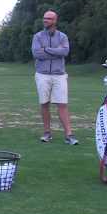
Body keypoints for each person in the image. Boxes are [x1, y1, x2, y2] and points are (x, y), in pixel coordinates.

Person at [31, 10, 78, 145]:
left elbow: (65, 51)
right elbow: (37, 54)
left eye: (49, 18)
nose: (46, 20)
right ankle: (47, 133)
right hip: (42, 74)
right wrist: (55, 52)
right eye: (45, 18)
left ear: (55, 21)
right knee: (44, 104)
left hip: (59, 75)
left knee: (62, 104)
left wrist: (46, 49)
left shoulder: (62, 36)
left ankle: (69, 135)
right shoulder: (38, 36)